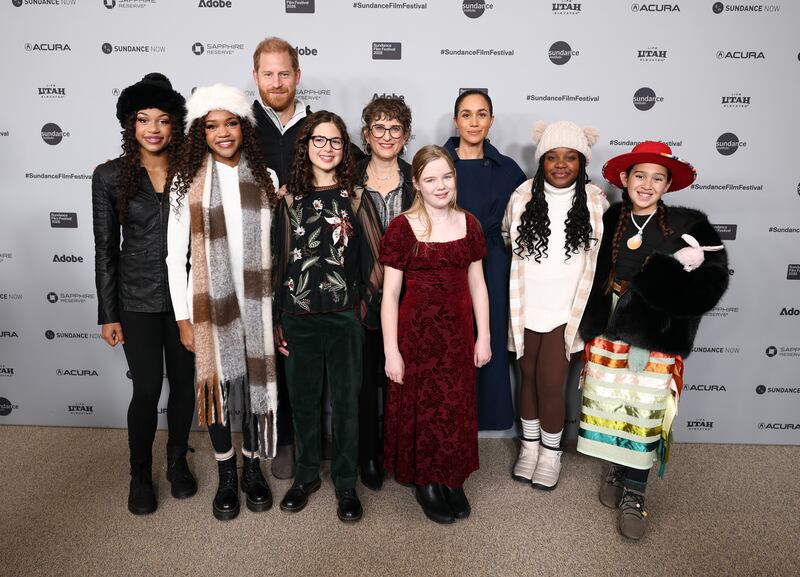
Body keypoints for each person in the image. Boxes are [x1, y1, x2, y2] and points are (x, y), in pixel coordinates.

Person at [578, 141, 729, 540]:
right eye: (640, 176)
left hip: (656, 339)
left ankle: (636, 493)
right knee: (610, 409)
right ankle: (616, 465)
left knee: (644, 416)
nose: (647, 184)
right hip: (608, 332)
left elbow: (711, 285)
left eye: (657, 178)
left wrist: (663, 274)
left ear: (668, 184)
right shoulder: (610, 217)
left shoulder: (691, 225)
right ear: (625, 179)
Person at [250, 37, 365, 478]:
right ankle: (292, 454)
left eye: (285, 73)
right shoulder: (244, 124)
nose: (277, 81)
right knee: (294, 386)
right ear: (256, 75)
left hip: (339, 307)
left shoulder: (323, 135)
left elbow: (368, 252)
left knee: (344, 394)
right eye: (268, 73)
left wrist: (362, 304)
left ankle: (344, 474)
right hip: (288, 292)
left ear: (298, 76)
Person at [166, 84, 280, 521]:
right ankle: (227, 471)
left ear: (243, 128)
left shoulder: (266, 179)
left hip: (258, 303)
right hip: (210, 305)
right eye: (212, 126)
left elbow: (277, 249)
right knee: (216, 387)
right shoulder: (186, 182)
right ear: (201, 132)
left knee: (253, 384)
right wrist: (183, 318)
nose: (223, 132)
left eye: (230, 123)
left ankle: (253, 467)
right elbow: (176, 257)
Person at [93, 73, 196, 516]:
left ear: (175, 126)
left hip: (185, 299)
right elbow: (104, 249)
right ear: (130, 125)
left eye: (163, 119)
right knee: (149, 388)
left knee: (186, 385)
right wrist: (107, 313)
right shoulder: (109, 176)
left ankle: (176, 461)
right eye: (143, 119)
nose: (153, 128)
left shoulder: (190, 170)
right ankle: (139, 473)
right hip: (135, 300)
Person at [273, 111, 383, 523]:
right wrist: (277, 316)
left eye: (335, 141)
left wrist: (362, 302)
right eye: (319, 140)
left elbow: (378, 257)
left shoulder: (356, 196)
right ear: (306, 146)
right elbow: (278, 260)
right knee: (302, 402)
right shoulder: (287, 200)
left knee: (347, 403)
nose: (327, 148)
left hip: (343, 319)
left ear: (344, 148)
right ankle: (305, 476)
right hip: (298, 315)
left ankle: (345, 483)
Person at [381, 145, 491, 524]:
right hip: (416, 338)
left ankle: (451, 476)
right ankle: (427, 480)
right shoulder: (402, 228)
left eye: (446, 176)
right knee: (424, 409)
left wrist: (485, 336)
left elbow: (478, 284)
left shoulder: (470, 224)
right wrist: (390, 352)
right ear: (416, 184)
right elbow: (390, 295)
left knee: (455, 406)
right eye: (430, 179)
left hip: (458, 336)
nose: (440, 185)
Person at [503, 121, 608, 490]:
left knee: (551, 382)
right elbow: (506, 236)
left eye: (570, 157)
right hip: (527, 306)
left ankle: (551, 453)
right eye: (552, 156)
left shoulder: (595, 200)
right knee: (527, 378)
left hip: (566, 312)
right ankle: (529, 447)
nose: (560, 164)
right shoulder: (521, 196)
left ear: (582, 162)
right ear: (541, 161)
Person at [443, 90, 526, 431]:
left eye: (481, 114)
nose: (474, 122)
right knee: (447, 335)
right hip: (445, 259)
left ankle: (487, 414)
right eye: (466, 114)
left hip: (493, 262)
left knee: (487, 332)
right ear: (456, 120)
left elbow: (530, 213)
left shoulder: (508, 169)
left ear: (491, 120)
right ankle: (448, 414)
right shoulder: (437, 163)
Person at [354, 95, 414, 491]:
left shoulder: (419, 177)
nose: (387, 136)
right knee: (362, 383)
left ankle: (400, 452)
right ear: (366, 134)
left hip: (409, 296)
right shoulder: (348, 178)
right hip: (358, 294)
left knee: (403, 381)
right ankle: (367, 456)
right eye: (380, 128)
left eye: (395, 129)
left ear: (406, 135)